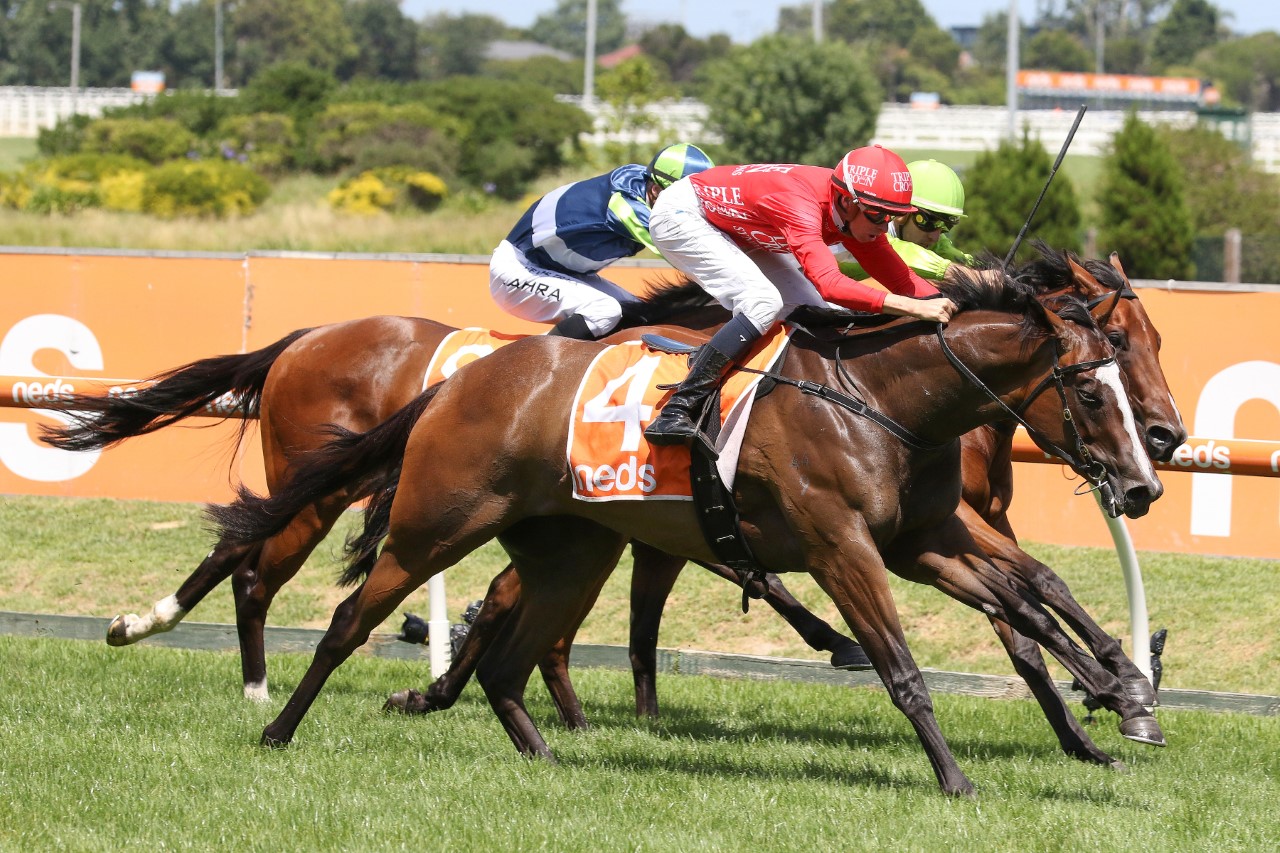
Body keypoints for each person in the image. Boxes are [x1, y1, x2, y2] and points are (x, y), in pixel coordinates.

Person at [644, 145, 957, 446]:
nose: (884, 224)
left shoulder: (856, 214)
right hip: (682, 214)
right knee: (763, 302)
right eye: (878, 215)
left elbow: (903, 278)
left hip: (734, 226)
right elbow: (830, 282)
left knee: (821, 311)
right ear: (847, 202)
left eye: (891, 216)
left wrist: (958, 308)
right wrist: (910, 308)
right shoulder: (800, 201)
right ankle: (678, 408)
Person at [489, 143, 715, 341]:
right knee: (603, 311)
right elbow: (687, 248)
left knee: (641, 317)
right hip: (518, 271)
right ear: (656, 189)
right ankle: (533, 363)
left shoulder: (649, 186)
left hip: (561, 272)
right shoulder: (625, 206)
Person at [834, 158, 976, 282]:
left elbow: (945, 250)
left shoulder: (928, 236)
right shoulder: (871, 230)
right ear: (902, 213)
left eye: (945, 225)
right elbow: (898, 252)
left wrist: (980, 269)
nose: (935, 236)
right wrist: (953, 271)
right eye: (929, 222)